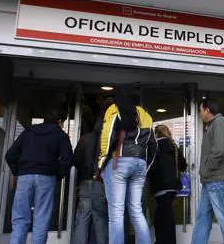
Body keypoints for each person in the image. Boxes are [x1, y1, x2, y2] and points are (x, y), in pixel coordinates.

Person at [97, 86, 157, 244]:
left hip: (120, 161)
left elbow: (107, 135)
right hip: (140, 163)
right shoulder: (146, 116)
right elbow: (153, 145)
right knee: (137, 210)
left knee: (116, 212)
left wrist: (102, 160)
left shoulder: (116, 109)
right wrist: (146, 165)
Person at [5, 110, 74, 244]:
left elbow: (10, 155)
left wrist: (19, 171)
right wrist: (57, 175)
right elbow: (68, 159)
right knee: (41, 219)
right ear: (59, 121)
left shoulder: (28, 132)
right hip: (47, 177)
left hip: (25, 176)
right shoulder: (60, 135)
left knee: (20, 218)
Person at [192, 98, 224, 244]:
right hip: (210, 181)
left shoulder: (220, 122)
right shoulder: (212, 125)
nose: (199, 114)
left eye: (200, 111)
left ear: (207, 110)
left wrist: (206, 169)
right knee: (203, 218)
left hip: (216, 180)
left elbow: (220, 149)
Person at [72, 99, 113, 244]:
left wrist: (84, 172)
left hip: (85, 182)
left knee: (82, 219)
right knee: (100, 220)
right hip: (100, 183)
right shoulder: (109, 139)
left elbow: (75, 160)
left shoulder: (85, 139)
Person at [149, 124, 188, 244]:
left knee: (164, 215)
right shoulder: (174, 146)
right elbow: (183, 165)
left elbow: (152, 166)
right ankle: (163, 240)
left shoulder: (156, 146)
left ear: (156, 134)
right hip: (174, 186)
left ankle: (166, 241)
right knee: (163, 213)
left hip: (161, 185)